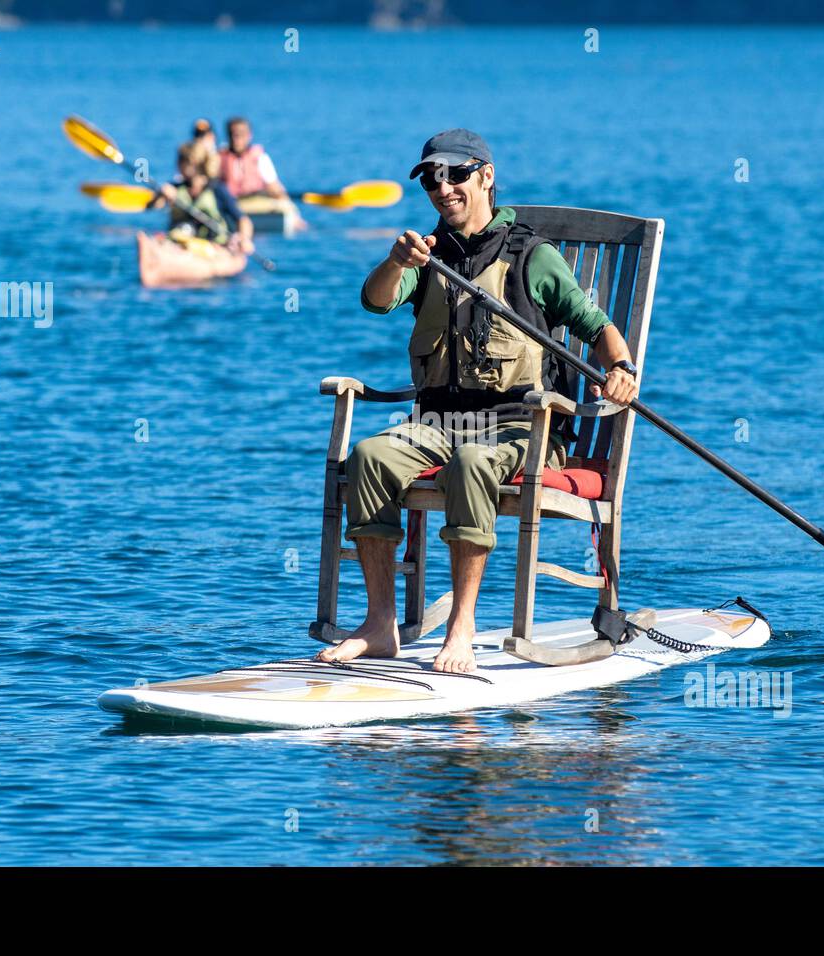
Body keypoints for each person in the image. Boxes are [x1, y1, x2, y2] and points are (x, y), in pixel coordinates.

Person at [317, 128, 639, 674]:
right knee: (370, 456)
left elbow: (599, 328)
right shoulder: (425, 255)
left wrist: (622, 369)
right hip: (438, 423)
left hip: (521, 431)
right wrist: (396, 262)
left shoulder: (534, 259)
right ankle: (379, 625)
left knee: (471, 463)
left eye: (456, 174)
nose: (443, 188)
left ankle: (461, 628)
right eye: (432, 180)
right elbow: (375, 302)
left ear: (485, 176)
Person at [149, 142, 254, 255]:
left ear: (195, 163)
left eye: (182, 161)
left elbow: (243, 220)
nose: (178, 165)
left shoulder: (217, 189)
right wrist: (160, 194)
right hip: (182, 244)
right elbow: (153, 206)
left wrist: (244, 238)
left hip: (212, 248)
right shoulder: (175, 188)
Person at [218, 116, 307, 230]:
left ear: (249, 135)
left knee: (286, 207)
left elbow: (274, 186)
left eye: (240, 135)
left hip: (256, 201)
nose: (236, 139)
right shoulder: (219, 157)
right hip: (231, 204)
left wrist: (289, 208)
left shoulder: (259, 158)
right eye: (233, 134)